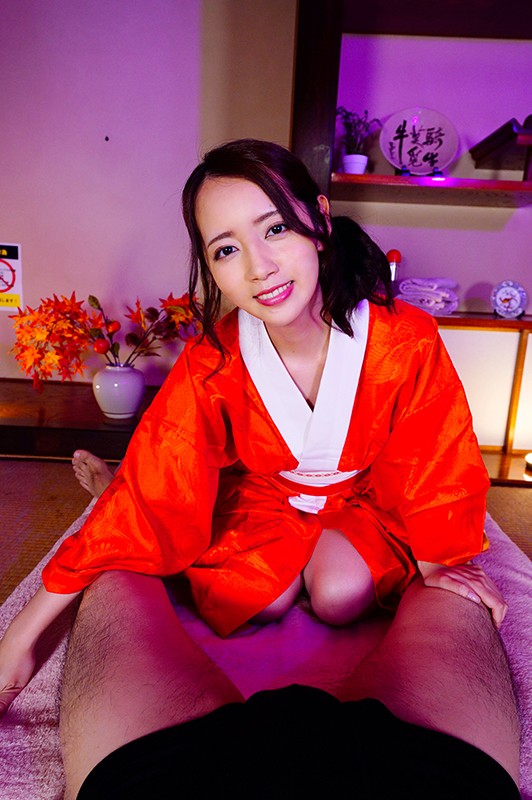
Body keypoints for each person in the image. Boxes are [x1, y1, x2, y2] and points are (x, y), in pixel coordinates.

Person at [0, 138, 508, 720]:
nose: (258, 268)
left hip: (364, 495)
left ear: (319, 219)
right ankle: (107, 487)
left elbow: (436, 455)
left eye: (275, 230)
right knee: (252, 597)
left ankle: (120, 489)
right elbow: (156, 490)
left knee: (341, 596)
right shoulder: (213, 360)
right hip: (266, 494)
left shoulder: (405, 339)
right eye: (226, 250)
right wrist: (19, 638)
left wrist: (442, 559)